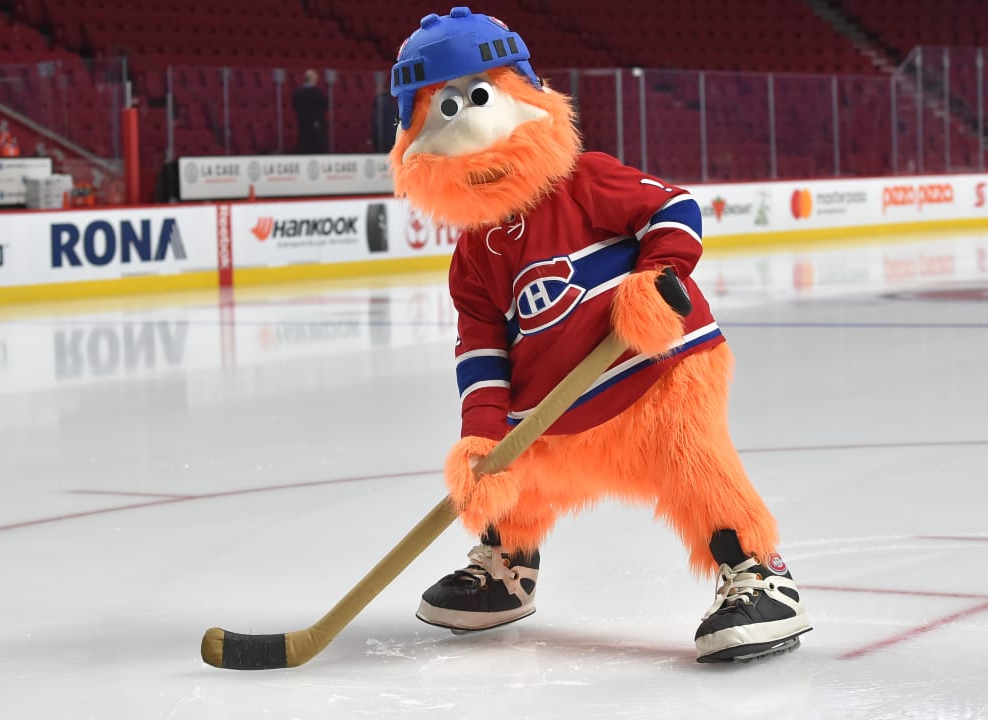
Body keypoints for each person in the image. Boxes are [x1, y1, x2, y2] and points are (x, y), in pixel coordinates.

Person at [388, 7, 812, 664]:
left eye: (478, 97)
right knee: (513, 468)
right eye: (443, 109)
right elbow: (481, 354)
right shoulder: (473, 259)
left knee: (693, 465)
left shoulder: (584, 182)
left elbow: (673, 209)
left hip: (656, 374)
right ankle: (508, 564)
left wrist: (657, 279)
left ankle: (758, 571)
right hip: (559, 411)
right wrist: (482, 435)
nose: (467, 122)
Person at [292, 69, 329, 154]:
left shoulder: (297, 93)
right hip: (316, 126)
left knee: (304, 149)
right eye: (316, 77)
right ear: (312, 78)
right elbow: (326, 106)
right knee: (319, 149)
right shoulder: (318, 93)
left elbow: (295, 106)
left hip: (303, 125)